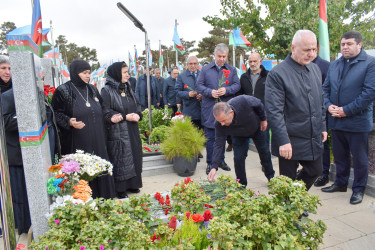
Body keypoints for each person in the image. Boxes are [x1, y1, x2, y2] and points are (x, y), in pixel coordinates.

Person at [265, 30, 327, 191]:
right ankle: (291, 211)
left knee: (316, 170)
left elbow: (320, 101)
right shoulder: (277, 74)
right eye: (307, 50)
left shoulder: (314, 69)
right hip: (289, 138)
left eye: (314, 49)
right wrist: (283, 140)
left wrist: (323, 127)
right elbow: (274, 111)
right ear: (293, 48)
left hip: (312, 135)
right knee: (287, 180)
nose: (311, 54)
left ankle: (296, 195)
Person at [321, 31, 375, 204]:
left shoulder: (370, 64)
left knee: (359, 159)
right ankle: (340, 183)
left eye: (349, 44)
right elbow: (325, 89)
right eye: (343, 44)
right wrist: (328, 106)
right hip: (336, 120)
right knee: (339, 156)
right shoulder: (335, 64)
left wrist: (346, 110)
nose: (345, 47)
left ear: (359, 45)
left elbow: (369, 93)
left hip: (357, 122)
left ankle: (358, 189)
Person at [51, 59, 116, 199]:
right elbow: (55, 113)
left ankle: (104, 197)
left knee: (99, 164)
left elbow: (103, 107)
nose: (88, 76)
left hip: (98, 138)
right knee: (83, 169)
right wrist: (69, 121)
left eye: (89, 72)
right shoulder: (63, 90)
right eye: (84, 73)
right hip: (78, 140)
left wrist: (110, 116)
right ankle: (85, 200)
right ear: (75, 73)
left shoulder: (92, 89)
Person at [207, 96, 275, 186]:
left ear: (231, 113)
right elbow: (219, 144)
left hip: (258, 128)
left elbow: (258, 103)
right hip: (239, 135)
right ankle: (241, 184)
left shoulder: (243, 101)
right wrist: (214, 166)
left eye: (223, 120)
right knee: (238, 158)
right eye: (219, 121)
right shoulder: (219, 124)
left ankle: (271, 178)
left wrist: (263, 119)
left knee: (264, 153)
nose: (222, 124)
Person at [196, 43, 241, 175]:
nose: (221, 59)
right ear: (214, 55)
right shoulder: (205, 70)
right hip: (210, 109)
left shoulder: (232, 70)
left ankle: (221, 161)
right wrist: (210, 92)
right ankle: (210, 163)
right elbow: (199, 85)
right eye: (219, 56)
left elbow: (237, 85)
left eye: (224, 56)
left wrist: (227, 90)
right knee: (211, 138)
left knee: (222, 136)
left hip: (225, 110)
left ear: (227, 56)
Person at [101, 62, 143, 199]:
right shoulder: (106, 90)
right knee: (121, 158)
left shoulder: (127, 86)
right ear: (116, 73)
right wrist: (125, 117)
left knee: (134, 155)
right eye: (125, 72)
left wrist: (138, 114)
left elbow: (136, 103)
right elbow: (106, 111)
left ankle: (133, 184)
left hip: (132, 127)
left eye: (127, 72)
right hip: (118, 129)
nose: (128, 75)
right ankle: (120, 189)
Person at [0, 55, 32, 234]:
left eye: (10, 69)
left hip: (19, 149)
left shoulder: (16, 89)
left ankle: (23, 223)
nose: (7, 72)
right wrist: (25, 119)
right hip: (6, 150)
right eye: (3, 68)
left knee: (20, 190)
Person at [310, 54, 331, 187]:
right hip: (305, 113)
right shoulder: (300, 64)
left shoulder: (325, 65)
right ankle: (311, 169)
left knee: (322, 142)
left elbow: (328, 89)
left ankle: (324, 173)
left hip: (321, 111)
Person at [175, 56, 202, 129]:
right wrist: (188, 94)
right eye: (190, 64)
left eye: (194, 63)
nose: (193, 66)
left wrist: (202, 95)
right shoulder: (182, 76)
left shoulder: (202, 74)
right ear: (187, 64)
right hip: (189, 111)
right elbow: (177, 92)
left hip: (202, 110)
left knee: (203, 136)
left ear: (198, 64)